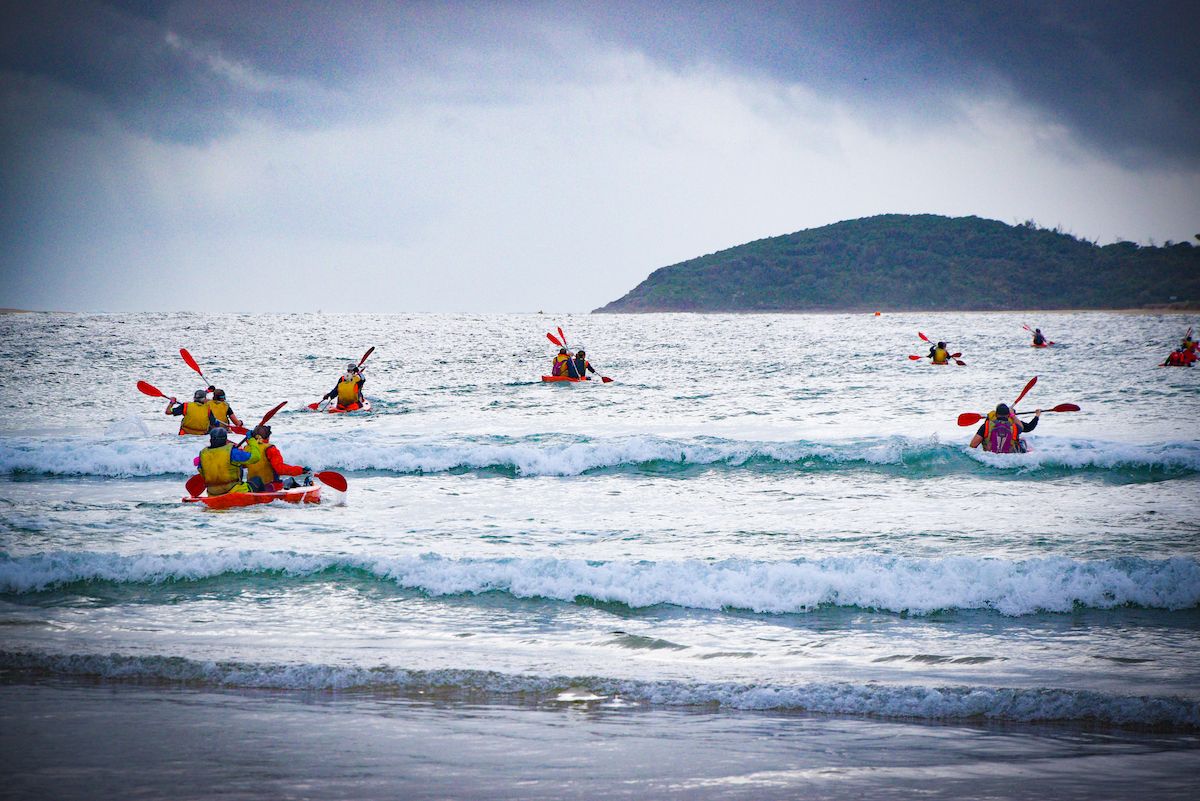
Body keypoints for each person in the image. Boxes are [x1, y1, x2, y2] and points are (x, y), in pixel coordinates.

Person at [243, 424, 311, 492]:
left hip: (253, 486)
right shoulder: (270, 449)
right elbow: (280, 469)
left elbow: (241, 465)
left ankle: (290, 481)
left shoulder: (246, 448)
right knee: (283, 483)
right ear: (268, 437)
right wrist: (301, 470)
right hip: (271, 486)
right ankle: (292, 481)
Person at [193, 426, 252, 496]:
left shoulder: (203, 454)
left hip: (213, 493)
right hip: (233, 490)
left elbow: (195, 462)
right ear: (226, 440)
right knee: (256, 480)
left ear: (210, 440)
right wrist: (251, 441)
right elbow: (253, 458)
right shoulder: (233, 452)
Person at [969, 403, 1040, 453]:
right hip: (1010, 457)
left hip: (990, 456)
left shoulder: (986, 425)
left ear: (996, 414)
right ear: (1009, 414)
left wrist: (988, 418)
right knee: (1022, 440)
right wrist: (1037, 416)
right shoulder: (1015, 425)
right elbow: (1029, 427)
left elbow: (973, 445)